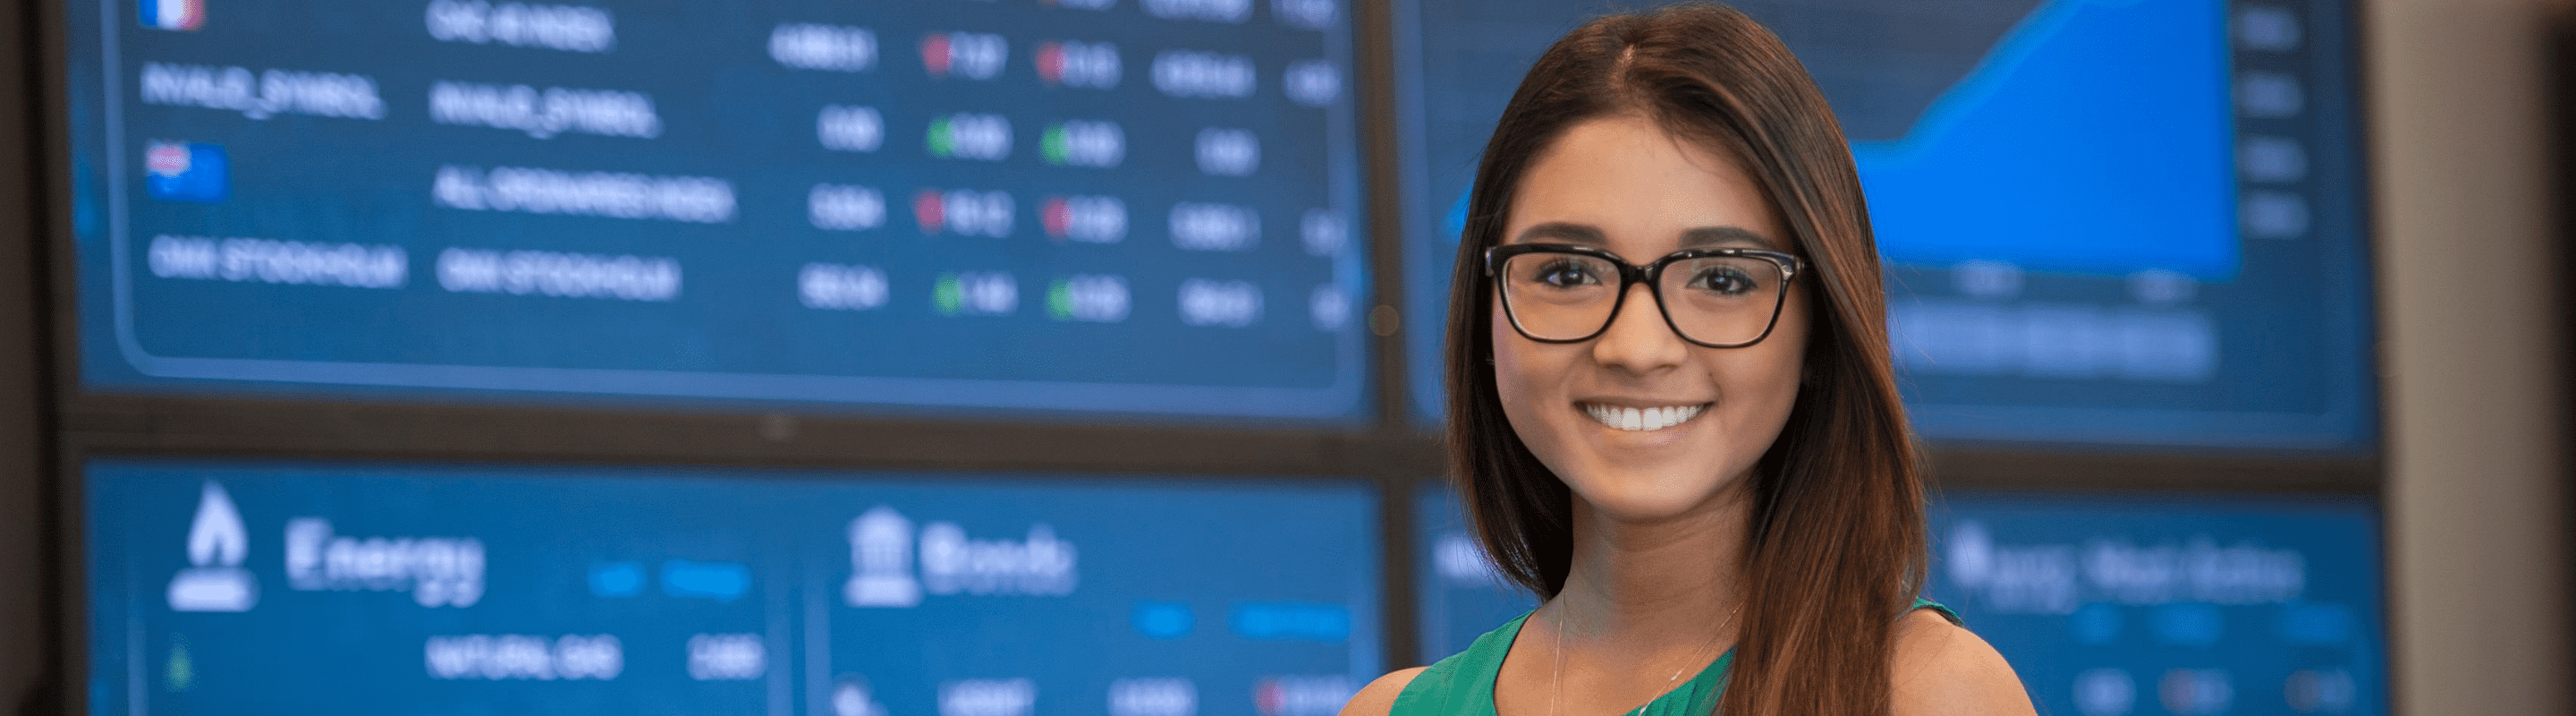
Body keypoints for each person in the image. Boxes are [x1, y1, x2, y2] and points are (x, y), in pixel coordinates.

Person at [1341, 4, 2036, 716]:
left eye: (1722, 278)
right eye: (1568, 274)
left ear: (1820, 330)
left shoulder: (1929, 692)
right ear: (1485, 314)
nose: (1637, 349)